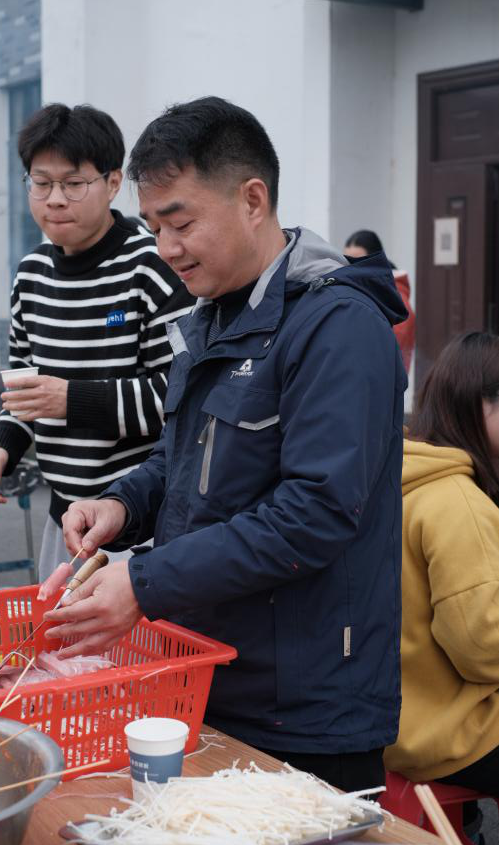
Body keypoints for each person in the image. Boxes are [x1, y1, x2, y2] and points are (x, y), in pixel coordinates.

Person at [46, 96, 408, 792]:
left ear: (252, 200)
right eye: (153, 227)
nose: (166, 248)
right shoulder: (211, 317)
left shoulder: (337, 325)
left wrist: (145, 583)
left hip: (304, 708)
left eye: (181, 222)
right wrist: (122, 504)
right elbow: (180, 458)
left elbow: (314, 511)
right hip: (207, 676)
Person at [0, 103, 193, 580]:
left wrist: (70, 400)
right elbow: (24, 386)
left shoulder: (152, 265)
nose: (55, 199)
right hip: (63, 519)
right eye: (41, 183)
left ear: (113, 183)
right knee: (58, 630)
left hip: (142, 521)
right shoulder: (31, 275)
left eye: (73, 184)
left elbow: (183, 394)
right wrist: (4, 444)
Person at [384, 332, 499, 799]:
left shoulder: (398, 476)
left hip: (392, 723)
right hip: (453, 735)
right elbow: (482, 647)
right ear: (480, 405)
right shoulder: (459, 502)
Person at [344, 230, 415, 373]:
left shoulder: (396, 297)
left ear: (375, 260)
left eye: (358, 261)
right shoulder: (363, 289)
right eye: (347, 261)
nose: (352, 267)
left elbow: (392, 349)